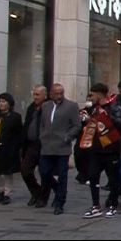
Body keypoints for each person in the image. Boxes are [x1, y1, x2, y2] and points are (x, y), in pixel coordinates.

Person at [38, 83, 81, 214]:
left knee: (62, 175)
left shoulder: (71, 106)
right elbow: (43, 124)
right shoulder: (45, 106)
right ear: (51, 94)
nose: (59, 96)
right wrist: (42, 136)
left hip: (62, 147)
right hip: (47, 146)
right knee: (44, 172)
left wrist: (67, 137)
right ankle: (57, 189)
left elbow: (77, 125)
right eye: (56, 93)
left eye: (61, 93)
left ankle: (60, 202)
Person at [81, 83, 121, 219]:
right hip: (96, 149)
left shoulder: (114, 106)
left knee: (113, 178)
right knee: (93, 176)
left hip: (111, 148)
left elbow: (120, 124)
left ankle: (113, 205)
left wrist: (106, 118)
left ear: (99, 94)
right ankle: (95, 206)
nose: (90, 98)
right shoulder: (93, 109)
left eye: (92, 95)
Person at [21, 85, 48, 206]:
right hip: (31, 145)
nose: (35, 97)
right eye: (34, 94)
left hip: (44, 145)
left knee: (45, 173)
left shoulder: (49, 107)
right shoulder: (31, 107)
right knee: (25, 170)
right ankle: (36, 192)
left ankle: (44, 197)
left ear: (44, 95)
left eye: (38, 95)